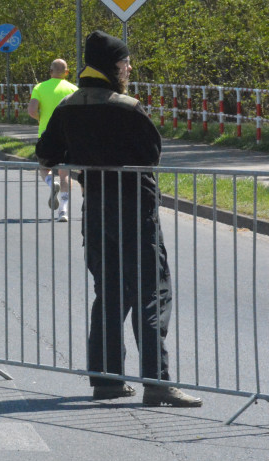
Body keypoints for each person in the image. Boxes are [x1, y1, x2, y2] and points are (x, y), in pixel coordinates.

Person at [36, 30, 202, 408]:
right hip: (135, 210)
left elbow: (46, 152)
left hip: (95, 209)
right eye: (125, 62)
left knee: (110, 291)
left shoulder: (68, 107)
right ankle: (157, 382)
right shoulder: (126, 107)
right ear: (113, 66)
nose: (129, 68)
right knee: (152, 292)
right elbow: (152, 154)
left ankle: (107, 379)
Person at [28, 59, 78, 222]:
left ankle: (51, 183)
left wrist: (40, 117)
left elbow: (32, 110)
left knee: (44, 167)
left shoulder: (40, 87)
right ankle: (63, 211)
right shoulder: (73, 89)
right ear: (66, 72)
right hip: (68, 137)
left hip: (46, 136)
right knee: (65, 174)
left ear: (50, 71)